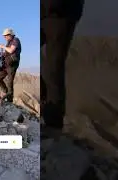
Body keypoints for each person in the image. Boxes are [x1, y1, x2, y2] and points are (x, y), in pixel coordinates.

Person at [41, 0, 85, 133]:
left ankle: (53, 124)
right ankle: (45, 103)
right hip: (43, 14)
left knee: (53, 69)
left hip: (61, 14)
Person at [0, 28, 22, 102]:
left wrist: (2, 47)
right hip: (5, 65)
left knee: (9, 82)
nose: (4, 37)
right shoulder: (8, 43)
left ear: (10, 35)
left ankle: (9, 101)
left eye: (5, 36)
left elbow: (11, 50)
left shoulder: (15, 40)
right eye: (4, 36)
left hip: (12, 66)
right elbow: (5, 53)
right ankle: (6, 92)